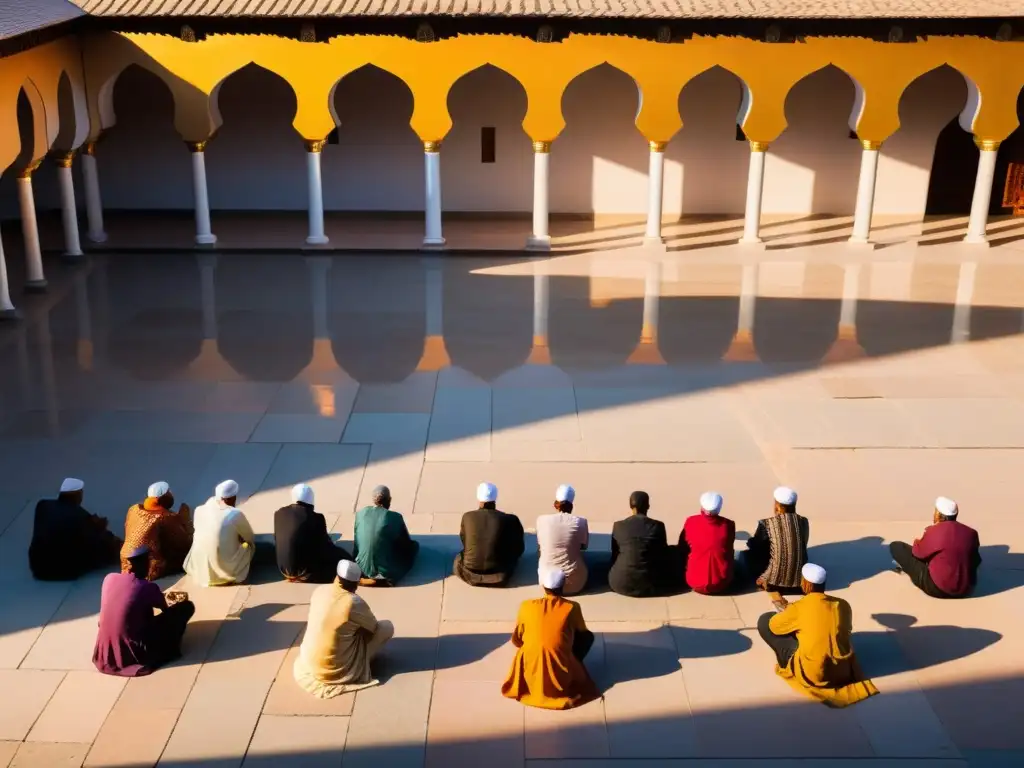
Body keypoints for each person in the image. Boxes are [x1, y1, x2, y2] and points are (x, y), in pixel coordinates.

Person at [756, 563, 878, 707]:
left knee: (765, 620)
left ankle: (786, 662)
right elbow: (847, 629)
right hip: (843, 671)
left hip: (815, 675)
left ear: (806, 584)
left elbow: (774, 627)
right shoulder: (843, 604)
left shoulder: (799, 608)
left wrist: (787, 612)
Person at [293, 559, 395, 699]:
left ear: (337, 576)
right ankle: (355, 667)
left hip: (309, 662)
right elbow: (373, 628)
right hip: (335, 671)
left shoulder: (320, 590)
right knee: (386, 627)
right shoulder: (354, 602)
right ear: (356, 584)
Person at [501, 568, 600, 710]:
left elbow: (517, 639)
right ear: (562, 586)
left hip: (530, 660)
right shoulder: (572, 607)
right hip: (561, 665)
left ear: (543, 587)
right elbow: (583, 634)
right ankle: (572, 665)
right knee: (588, 637)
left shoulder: (526, 606)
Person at [93, 545, 196, 677]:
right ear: (145, 564)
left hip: (105, 653)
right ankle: (168, 648)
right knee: (185, 608)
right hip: (134, 652)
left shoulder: (109, 578)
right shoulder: (147, 587)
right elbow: (165, 609)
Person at [29, 478, 122, 581]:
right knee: (104, 543)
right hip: (64, 571)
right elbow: (91, 537)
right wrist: (99, 527)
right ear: (78, 495)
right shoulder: (79, 515)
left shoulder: (43, 505)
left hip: (37, 567)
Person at [890, 496, 981, 599]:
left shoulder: (934, 531)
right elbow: (976, 561)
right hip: (967, 590)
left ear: (938, 514)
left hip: (937, 589)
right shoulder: (971, 533)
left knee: (896, 547)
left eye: (935, 512)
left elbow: (917, 552)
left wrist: (922, 537)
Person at [184, 480, 258, 587]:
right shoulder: (234, 514)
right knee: (248, 546)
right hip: (223, 572)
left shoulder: (199, 510)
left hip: (201, 570)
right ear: (233, 498)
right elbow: (249, 537)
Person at [274, 483, 353, 583]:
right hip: (307, 574)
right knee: (342, 557)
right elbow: (325, 548)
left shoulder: (278, 514)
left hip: (283, 570)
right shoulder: (317, 518)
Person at [454, 482, 525, 587]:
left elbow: (464, 541)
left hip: (470, 571)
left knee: (459, 558)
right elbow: (519, 549)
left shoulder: (467, 516)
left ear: (478, 498)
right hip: (501, 573)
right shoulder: (511, 519)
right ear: (495, 497)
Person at [121, 482, 193, 582]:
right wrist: (185, 520)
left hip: (126, 564)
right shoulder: (165, 517)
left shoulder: (133, 509)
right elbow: (183, 543)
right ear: (161, 498)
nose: (171, 494)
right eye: (169, 492)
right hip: (150, 569)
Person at [742, 486, 809, 592]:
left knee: (745, 556)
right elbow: (804, 543)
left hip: (773, 582)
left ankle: (765, 579)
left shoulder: (766, 523)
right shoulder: (804, 521)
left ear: (777, 507)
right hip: (800, 582)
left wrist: (750, 541)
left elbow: (755, 546)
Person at [608, 491, 675, 597]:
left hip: (620, 583)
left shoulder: (618, 526)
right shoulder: (658, 526)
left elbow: (614, 555)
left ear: (630, 506)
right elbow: (663, 555)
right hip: (652, 584)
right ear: (648, 506)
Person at [353, 485, 419, 586]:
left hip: (361, 567)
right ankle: (381, 578)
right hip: (385, 572)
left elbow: (357, 545)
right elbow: (405, 543)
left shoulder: (360, 514)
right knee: (414, 547)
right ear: (389, 500)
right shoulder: (395, 517)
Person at [536, 484, 589, 595]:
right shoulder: (581, 522)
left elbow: (540, 546)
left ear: (556, 504)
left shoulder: (541, 520)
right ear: (571, 505)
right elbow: (584, 547)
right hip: (574, 584)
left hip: (546, 583)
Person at [680, 491, 736, 595]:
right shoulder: (728, 525)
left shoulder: (691, 521)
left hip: (694, 582)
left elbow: (682, 546)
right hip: (721, 584)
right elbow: (729, 548)